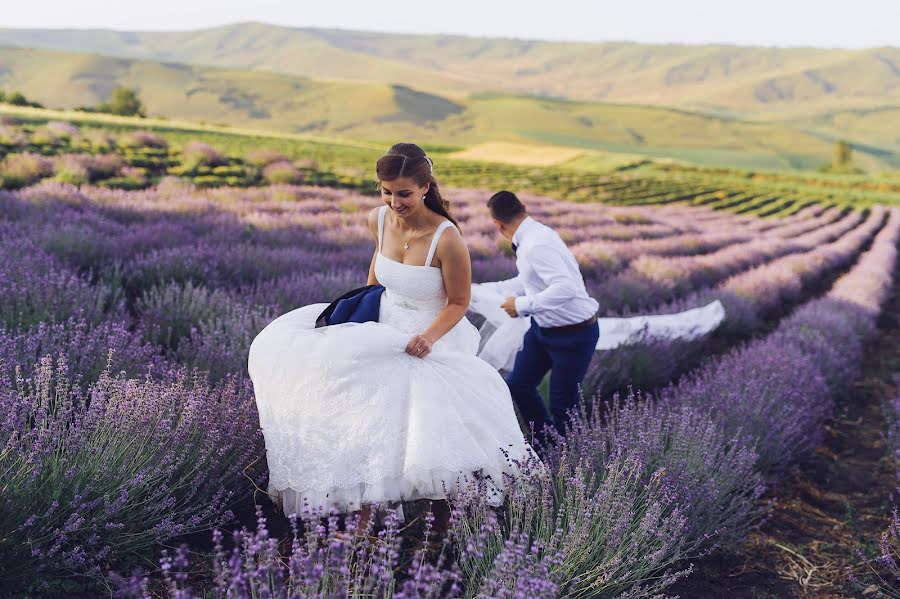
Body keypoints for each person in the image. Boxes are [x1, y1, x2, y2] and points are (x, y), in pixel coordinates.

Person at [247, 144, 536, 532]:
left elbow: (459, 302)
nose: (395, 202)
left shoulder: (447, 238)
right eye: (386, 191)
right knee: (365, 421)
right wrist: (360, 322)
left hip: (431, 338)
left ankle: (437, 529)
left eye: (404, 193)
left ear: (424, 187)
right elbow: (376, 275)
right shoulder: (378, 219)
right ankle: (366, 524)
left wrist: (427, 338)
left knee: (428, 433)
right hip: (381, 331)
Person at [481, 190, 600, 441]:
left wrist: (522, 305)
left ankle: (567, 463)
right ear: (523, 207)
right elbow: (530, 280)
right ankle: (548, 444)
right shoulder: (533, 235)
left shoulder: (536, 244)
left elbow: (565, 288)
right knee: (518, 384)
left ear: (497, 224)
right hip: (542, 330)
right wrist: (487, 290)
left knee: (563, 406)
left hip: (574, 335)